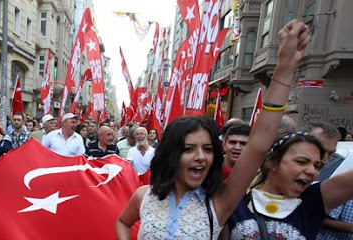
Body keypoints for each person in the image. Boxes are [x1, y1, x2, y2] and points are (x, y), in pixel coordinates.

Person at [116, 19, 314, 239]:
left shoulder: (220, 201)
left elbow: (258, 146)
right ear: (171, 154)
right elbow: (123, 222)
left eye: (208, 149)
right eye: (189, 149)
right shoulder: (144, 196)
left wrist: (285, 68)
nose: (201, 157)